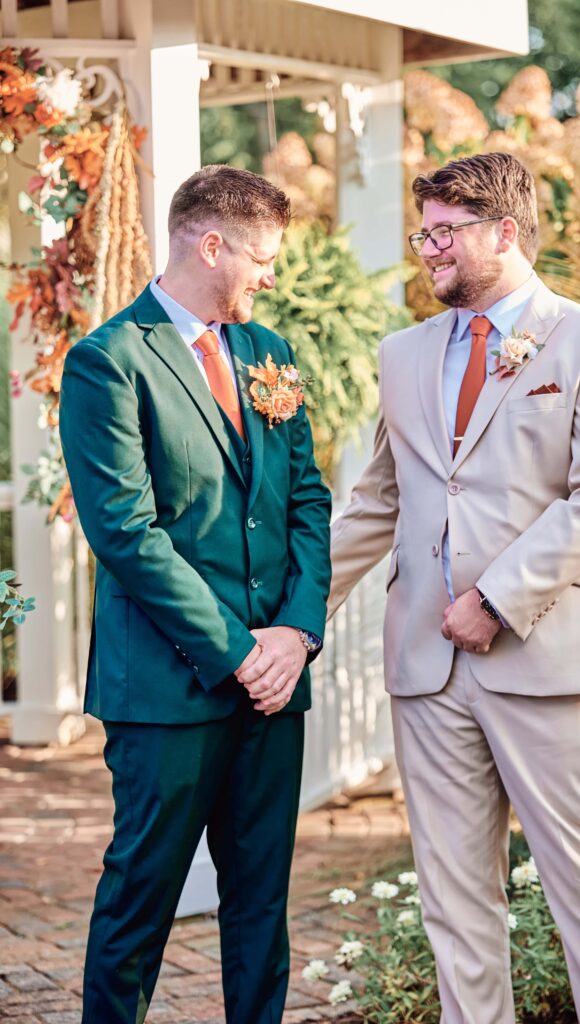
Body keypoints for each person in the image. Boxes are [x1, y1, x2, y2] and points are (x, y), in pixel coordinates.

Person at [328, 152, 580, 1023]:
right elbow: (377, 502)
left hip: (547, 655)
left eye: (444, 233)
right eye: (422, 233)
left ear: (504, 232)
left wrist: (497, 600)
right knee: (453, 899)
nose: (427, 250)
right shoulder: (401, 355)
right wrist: (292, 615)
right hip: (425, 667)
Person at [60, 164, 332, 1024]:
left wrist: (293, 632)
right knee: (139, 905)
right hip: (169, 691)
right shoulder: (109, 361)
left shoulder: (268, 354)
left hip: (273, 686)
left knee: (260, 907)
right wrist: (239, 650)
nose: (271, 277)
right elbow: (126, 536)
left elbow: (307, 502)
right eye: (264, 257)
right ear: (209, 244)